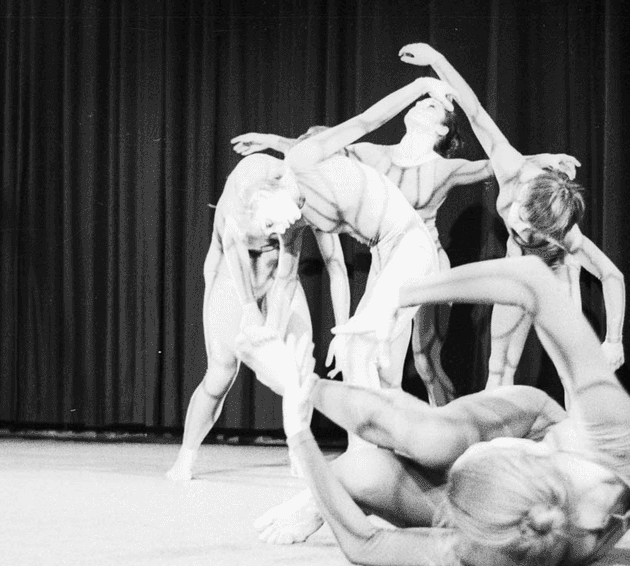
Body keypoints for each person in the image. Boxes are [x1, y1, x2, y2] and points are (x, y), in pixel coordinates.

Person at [235, 255, 630, 566]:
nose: (447, 469)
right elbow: (533, 277)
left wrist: (298, 429)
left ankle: (303, 403)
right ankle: (311, 387)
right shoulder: (613, 431)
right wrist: (401, 298)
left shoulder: (506, 543)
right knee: (433, 441)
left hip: (528, 489)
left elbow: (367, 546)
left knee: (365, 473)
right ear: (530, 456)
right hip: (540, 421)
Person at [233, 97, 577, 405]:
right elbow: (318, 148)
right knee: (380, 357)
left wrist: (542, 159)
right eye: (420, 101)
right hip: (385, 260)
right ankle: (393, 435)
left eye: (431, 106)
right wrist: (270, 142)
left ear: (442, 129)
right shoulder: (376, 154)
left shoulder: (444, 168)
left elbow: (494, 165)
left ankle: (436, 427)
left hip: (423, 261)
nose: (419, 105)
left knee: (425, 359)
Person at [394, 43, 628, 390]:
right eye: (518, 215)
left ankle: (582, 435)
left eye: (529, 228)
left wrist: (614, 339)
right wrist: (438, 60)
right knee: (499, 366)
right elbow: (474, 112)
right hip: (515, 272)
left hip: (553, 276)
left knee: (571, 370)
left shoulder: (564, 232)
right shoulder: (510, 167)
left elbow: (611, 275)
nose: (516, 225)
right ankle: (495, 439)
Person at [165, 153, 350, 482]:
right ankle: (186, 455)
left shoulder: (298, 205)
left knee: (297, 368)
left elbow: (287, 278)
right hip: (232, 272)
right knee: (221, 371)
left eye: (281, 227)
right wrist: (250, 310)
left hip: (275, 272)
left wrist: (273, 330)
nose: (277, 229)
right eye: (269, 225)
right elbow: (232, 253)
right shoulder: (240, 192)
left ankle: (299, 450)